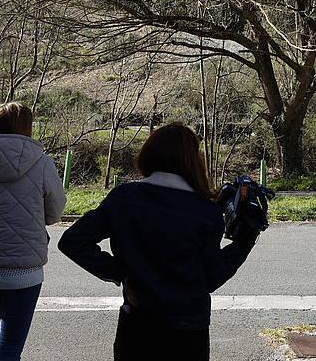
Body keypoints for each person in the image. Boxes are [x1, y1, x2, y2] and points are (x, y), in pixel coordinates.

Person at [59, 123, 257, 361]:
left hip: (137, 322)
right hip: (188, 328)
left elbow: (73, 241)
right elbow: (211, 278)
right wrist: (244, 241)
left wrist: (123, 272)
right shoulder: (205, 211)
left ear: (149, 154)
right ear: (193, 160)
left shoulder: (124, 198)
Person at [0, 102, 66, 361]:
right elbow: (54, 214)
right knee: (10, 350)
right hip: (23, 272)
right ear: (27, 127)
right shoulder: (42, 164)